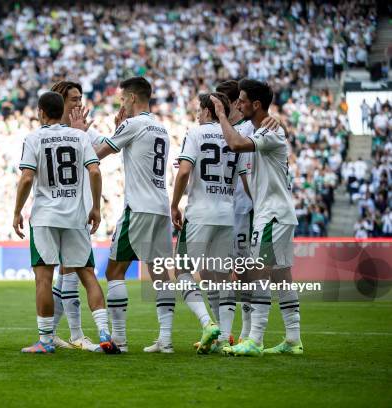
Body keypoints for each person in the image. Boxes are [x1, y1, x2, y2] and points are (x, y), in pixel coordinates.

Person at [94, 77, 219, 353]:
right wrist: (118, 131)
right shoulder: (160, 128)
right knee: (160, 273)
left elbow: (97, 154)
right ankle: (165, 340)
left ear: (133, 99)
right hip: (161, 207)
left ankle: (120, 340)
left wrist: (81, 135)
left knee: (114, 271)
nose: (121, 103)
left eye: (122, 98)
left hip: (137, 208)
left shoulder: (133, 123)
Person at [13, 91, 118, 354]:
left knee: (44, 279)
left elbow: (26, 178)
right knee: (87, 275)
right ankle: (104, 332)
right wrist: (95, 207)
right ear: (62, 111)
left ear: (40, 112)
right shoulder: (80, 137)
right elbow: (94, 170)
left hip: (46, 217)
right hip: (75, 216)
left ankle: (46, 341)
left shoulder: (33, 138)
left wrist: (17, 211)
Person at [211, 79, 303, 356]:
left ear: (256, 104)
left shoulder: (270, 133)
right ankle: (293, 339)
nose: (238, 104)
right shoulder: (266, 128)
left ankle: (255, 340)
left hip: (272, 215)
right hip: (277, 213)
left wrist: (221, 115)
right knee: (281, 276)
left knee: (259, 274)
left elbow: (236, 143)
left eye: (242, 99)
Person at [171, 92, 248, 354]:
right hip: (226, 215)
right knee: (223, 277)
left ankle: (207, 324)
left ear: (207, 111)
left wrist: (174, 205)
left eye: (198, 109)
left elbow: (183, 171)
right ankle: (224, 338)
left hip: (200, 214)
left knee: (181, 269)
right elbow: (244, 180)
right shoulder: (233, 137)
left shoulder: (196, 133)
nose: (196, 114)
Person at [44, 80, 105, 352]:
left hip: (74, 211)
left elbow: (105, 149)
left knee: (65, 274)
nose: (79, 104)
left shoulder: (83, 133)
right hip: (64, 212)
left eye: (80, 98)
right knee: (71, 272)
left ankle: (54, 334)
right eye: (73, 99)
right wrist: (79, 137)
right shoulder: (52, 133)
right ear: (60, 102)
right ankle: (77, 334)